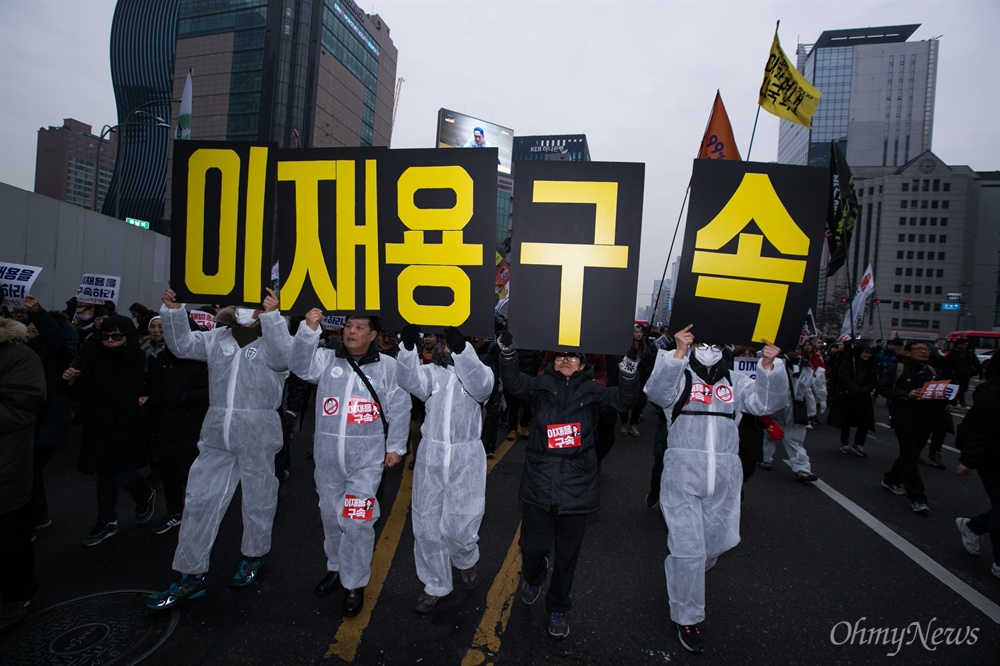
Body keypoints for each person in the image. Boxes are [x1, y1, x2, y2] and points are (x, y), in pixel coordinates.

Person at [644, 325, 787, 654]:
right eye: (703, 343)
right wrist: (677, 354)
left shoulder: (736, 380)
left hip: (724, 474)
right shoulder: (679, 373)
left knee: (719, 543)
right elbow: (656, 393)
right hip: (682, 472)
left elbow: (766, 403)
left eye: (716, 343)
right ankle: (688, 616)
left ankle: (686, 572)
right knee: (689, 549)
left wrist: (769, 367)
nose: (709, 348)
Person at [145, 287, 291, 610]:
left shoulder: (275, 340)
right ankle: (190, 574)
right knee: (200, 500)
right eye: (242, 305)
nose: (244, 311)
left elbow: (284, 359)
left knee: (259, 499)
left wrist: (274, 319)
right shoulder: (218, 338)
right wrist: (173, 312)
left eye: (253, 306)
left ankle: (254, 555)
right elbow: (182, 345)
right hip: (215, 435)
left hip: (258, 434)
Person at [499, 331, 639, 640]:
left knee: (567, 556)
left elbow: (623, 399)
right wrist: (508, 353)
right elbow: (514, 383)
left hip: (577, 488)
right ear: (553, 359)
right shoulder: (541, 386)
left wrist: (628, 370)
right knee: (532, 548)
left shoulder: (592, 391)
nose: (566, 359)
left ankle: (558, 607)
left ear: (583, 364)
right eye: (561, 355)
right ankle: (533, 576)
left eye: (573, 356)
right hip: (538, 483)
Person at [290, 310, 410, 618]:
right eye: (348, 325)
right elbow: (299, 365)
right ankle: (336, 567)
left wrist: (395, 446)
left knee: (357, 521)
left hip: (366, 462)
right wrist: (309, 329)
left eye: (359, 327)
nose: (351, 331)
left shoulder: (388, 367)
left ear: (373, 335)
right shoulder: (327, 360)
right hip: (328, 459)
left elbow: (400, 406)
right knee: (331, 517)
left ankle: (355, 583)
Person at [396, 325, 494, 613]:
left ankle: (466, 559)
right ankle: (436, 583)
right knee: (426, 525)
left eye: (453, 343)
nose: (447, 348)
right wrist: (407, 349)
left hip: (466, 459)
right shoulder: (432, 373)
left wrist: (464, 352)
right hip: (431, 457)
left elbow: (482, 387)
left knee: (460, 526)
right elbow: (408, 379)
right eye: (446, 342)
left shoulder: (481, 372)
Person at [62, 315, 156, 547]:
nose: (110, 341)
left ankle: (143, 495)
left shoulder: (143, 360)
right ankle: (106, 520)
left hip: (128, 424)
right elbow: (81, 394)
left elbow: (157, 391)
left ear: (128, 337)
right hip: (100, 425)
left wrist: (141, 408)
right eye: (106, 336)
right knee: (104, 473)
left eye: (116, 336)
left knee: (122, 472)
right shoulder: (92, 359)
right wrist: (71, 382)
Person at [0, 314, 47, 631]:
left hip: (5, 469)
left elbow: (22, 408)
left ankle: (17, 597)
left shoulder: (18, 355)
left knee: (8, 538)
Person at [144, 316, 210, 535]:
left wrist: (182, 398)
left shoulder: (201, 361)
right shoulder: (161, 358)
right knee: (168, 472)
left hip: (192, 426)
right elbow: (154, 389)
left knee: (189, 474)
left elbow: (212, 392)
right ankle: (174, 512)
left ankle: (198, 515)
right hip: (164, 425)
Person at [877, 340, 950, 514]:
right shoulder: (897, 368)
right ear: (907, 352)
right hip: (903, 418)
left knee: (911, 454)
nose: (924, 352)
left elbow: (941, 390)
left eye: (926, 349)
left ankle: (891, 478)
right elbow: (883, 388)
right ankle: (917, 498)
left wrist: (948, 398)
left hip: (926, 419)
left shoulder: (932, 371)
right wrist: (906, 394)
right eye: (919, 349)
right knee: (910, 457)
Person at [23, 296, 77, 531]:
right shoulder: (24, 351)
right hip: (31, 416)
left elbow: (55, 340)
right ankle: (38, 515)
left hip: (49, 416)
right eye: (30, 328)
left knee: (30, 468)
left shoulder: (58, 352)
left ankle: (34, 518)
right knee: (29, 469)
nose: (31, 332)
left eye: (37, 328)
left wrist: (37, 313)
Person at [954, 353, 1000, 579]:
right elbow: (984, 429)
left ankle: (975, 526)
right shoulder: (990, 393)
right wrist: (969, 461)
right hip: (993, 459)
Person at [760, 346, 819, 483]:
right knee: (769, 433)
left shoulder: (805, 365)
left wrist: (811, 409)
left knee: (795, 439)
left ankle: (802, 468)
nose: (796, 350)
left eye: (799, 348)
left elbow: (808, 389)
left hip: (797, 406)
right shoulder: (777, 362)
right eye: (793, 347)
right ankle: (765, 458)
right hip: (776, 404)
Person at [828, 344, 878, 457]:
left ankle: (859, 444)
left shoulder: (872, 365)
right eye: (865, 352)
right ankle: (844, 442)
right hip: (848, 395)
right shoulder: (848, 362)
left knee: (864, 421)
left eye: (869, 353)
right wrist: (855, 389)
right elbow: (844, 377)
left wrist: (864, 391)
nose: (867, 355)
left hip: (863, 397)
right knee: (846, 420)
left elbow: (873, 380)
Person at [472, 334, 502, 458]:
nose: (475, 338)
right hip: (477, 390)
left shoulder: (493, 349)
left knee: (491, 418)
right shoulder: (472, 350)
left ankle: (489, 446)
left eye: (477, 336)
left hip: (492, 390)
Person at [948, 340, 983, 410]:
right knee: (960, 388)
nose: (964, 346)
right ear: (957, 345)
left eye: (965, 344)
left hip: (967, 374)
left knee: (964, 389)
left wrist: (980, 371)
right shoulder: (952, 353)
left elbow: (976, 362)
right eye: (962, 344)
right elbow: (948, 364)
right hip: (956, 374)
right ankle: (962, 404)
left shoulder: (969, 353)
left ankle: (954, 400)